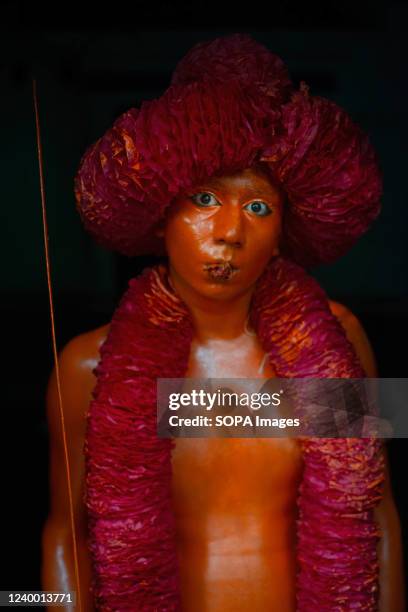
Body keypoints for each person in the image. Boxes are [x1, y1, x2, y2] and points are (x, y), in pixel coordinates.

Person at [41, 35, 404, 611]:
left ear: (285, 225)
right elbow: (66, 535)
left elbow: (375, 515)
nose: (230, 230)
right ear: (160, 216)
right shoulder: (87, 367)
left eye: (257, 206)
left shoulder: (336, 342)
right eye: (204, 199)